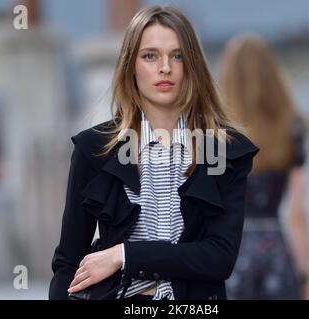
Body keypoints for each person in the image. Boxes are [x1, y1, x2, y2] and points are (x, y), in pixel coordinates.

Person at [49, 5, 259, 300]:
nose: (165, 67)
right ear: (130, 65)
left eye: (177, 55)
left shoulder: (225, 150)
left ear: (193, 64)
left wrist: (125, 255)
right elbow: (68, 261)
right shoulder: (94, 149)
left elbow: (219, 257)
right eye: (150, 55)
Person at [218, 35, 309, 299]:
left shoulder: (216, 134)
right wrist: (303, 274)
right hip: (276, 255)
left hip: (231, 255)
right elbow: (297, 214)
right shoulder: (292, 128)